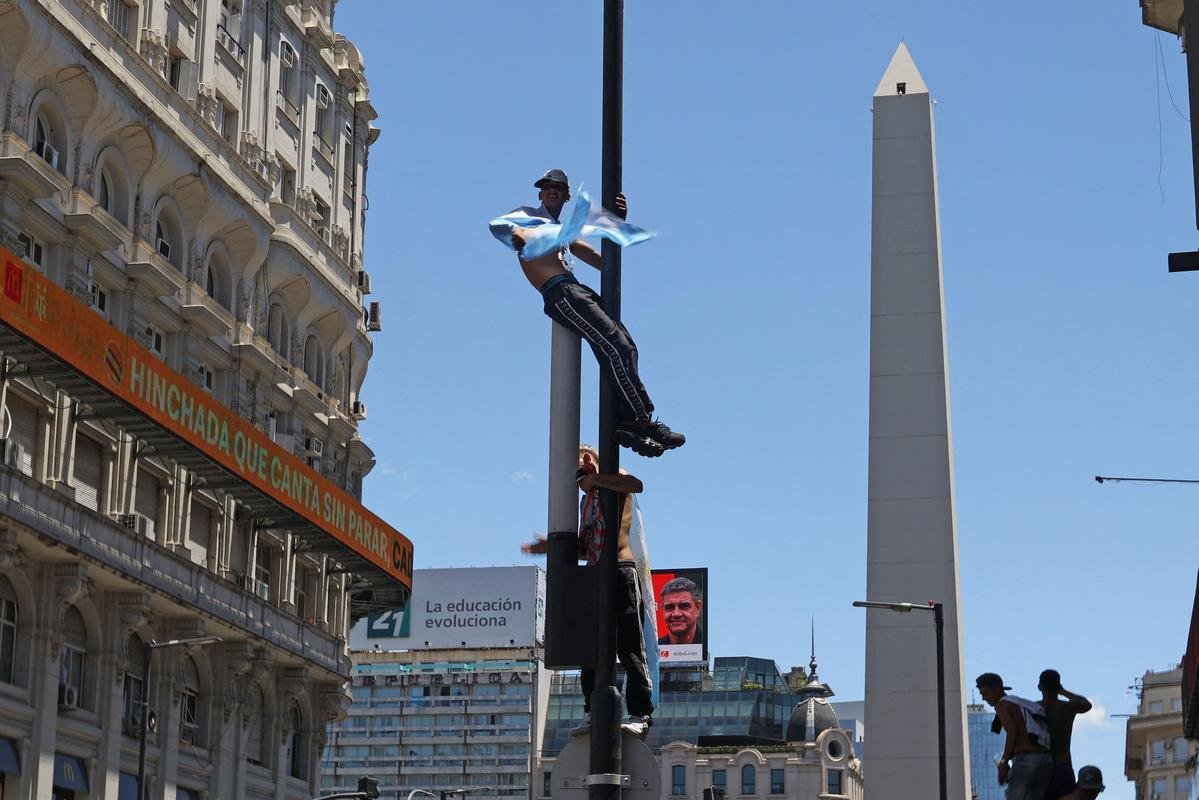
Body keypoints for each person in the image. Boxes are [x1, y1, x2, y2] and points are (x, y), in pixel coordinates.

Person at [492, 169, 684, 458]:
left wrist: (617, 223)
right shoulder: (530, 216)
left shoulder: (564, 232)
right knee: (614, 345)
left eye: (558, 187)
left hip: (576, 289)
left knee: (627, 346)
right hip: (560, 291)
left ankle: (626, 421)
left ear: (567, 194)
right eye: (546, 187)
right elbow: (504, 228)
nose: (552, 190)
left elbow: (604, 261)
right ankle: (641, 419)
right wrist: (542, 233)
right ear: (540, 193)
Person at [522, 445, 654, 737]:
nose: (583, 463)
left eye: (587, 458)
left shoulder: (613, 477)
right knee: (589, 647)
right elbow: (588, 544)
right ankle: (592, 712)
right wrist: (549, 546)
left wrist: (597, 480)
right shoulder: (586, 502)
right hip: (594, 574)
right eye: (578, 462)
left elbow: (636, 485)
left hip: (621, 568)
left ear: (596, 460)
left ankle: (640, 713)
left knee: (630, 644)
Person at [976, 673, 1053, 800]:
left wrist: (1003, 763)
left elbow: (1013, 733)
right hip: (1045, 760)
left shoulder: (1002, 705)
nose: (984, 698)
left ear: (996, 689)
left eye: (985, 693)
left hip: (1026, 761)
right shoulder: (1017, 703)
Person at [1038, 669, 1093, 800]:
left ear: (1040, 687)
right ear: (1058, 686)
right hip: (1063, 764)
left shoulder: (1034, 708)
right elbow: (1086, 704)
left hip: (1041, 765)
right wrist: (1063, 691)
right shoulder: (1066, 708)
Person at [657, 576, 703, 645]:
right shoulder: (653, 650)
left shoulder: (709, 643)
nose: (676, 614)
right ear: (663, 609)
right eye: (669, 607)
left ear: (697, 608)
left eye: (684, 606)